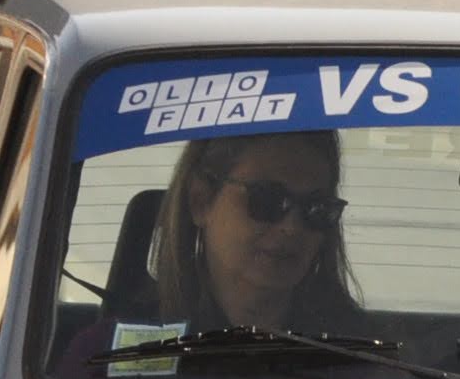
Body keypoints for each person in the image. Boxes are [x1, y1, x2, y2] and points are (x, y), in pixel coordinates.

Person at [152, 130, 366, 335]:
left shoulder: (360, 348)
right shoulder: (142, 338)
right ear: (201, 200)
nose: (292, 228)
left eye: (317, 208)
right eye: (267, 200)